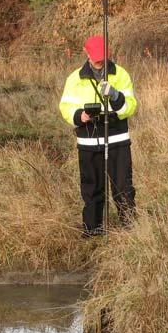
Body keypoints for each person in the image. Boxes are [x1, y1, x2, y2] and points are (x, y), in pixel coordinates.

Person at [59, 35, 137, 235]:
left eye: (102, 57)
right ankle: (93, 230)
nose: (99, 61)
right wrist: (79, 115)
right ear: (86, 53)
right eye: (95, 57)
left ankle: (130, 229)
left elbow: (130, 107)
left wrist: (115, 96)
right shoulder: (74, 79)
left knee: (123, 186)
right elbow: (65, 107)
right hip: (88, 139)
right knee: (92, 186)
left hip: (117, 138)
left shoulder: (120, 75)